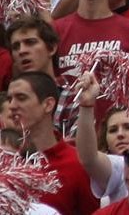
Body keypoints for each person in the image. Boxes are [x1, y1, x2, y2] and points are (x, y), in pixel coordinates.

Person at [8, 71, 98, 215]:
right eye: (9, 99)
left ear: (48, 104)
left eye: (21, 98)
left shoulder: (78, 164)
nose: (12, 106)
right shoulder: (5, 161)